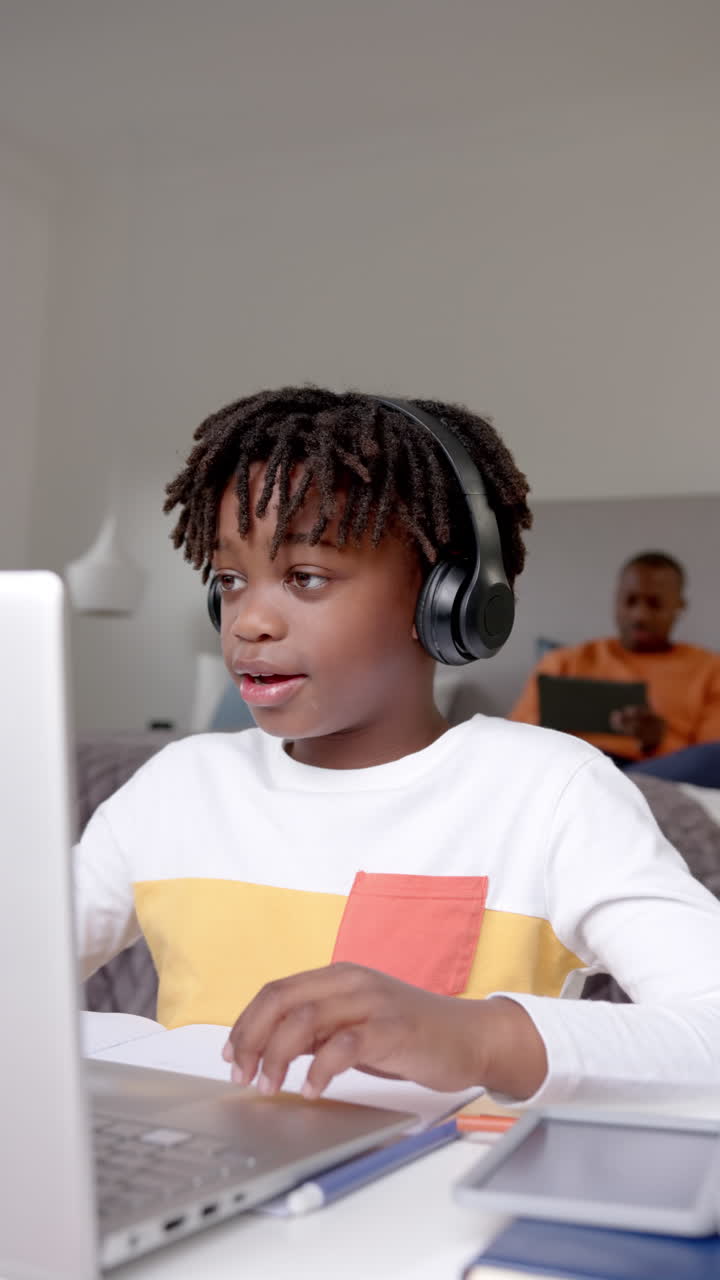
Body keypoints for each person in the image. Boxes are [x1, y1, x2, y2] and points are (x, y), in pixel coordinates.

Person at [74, 389, 720, 1106]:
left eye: (305, 577)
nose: (249, 620)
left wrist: (476, 1037)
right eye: (230, 580)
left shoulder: (550, 793)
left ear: (447, 599)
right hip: (194, 1190)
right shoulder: (176, 787)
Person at [511, 552, 720, 787]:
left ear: (679, 606)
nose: (639, 615)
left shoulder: (710, 669)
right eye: (630, 601)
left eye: (655, 604)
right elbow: (519, 737)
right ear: (616, 600)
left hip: (652, 773)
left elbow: (708, 754)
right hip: (574, 766)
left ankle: (610, 790)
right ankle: (605, 790)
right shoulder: (562, 662)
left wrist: (657, 741)